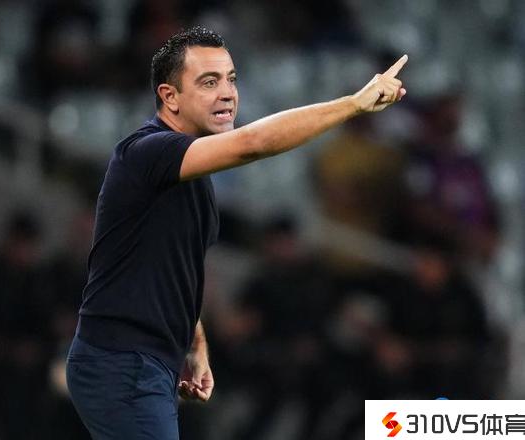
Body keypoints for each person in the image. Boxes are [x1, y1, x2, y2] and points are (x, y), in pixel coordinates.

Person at [66, 25, 408, 440]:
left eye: (231, 79)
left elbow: (174, 268)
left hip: (148, 362)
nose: (227, 93)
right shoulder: (146, 151)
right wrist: (353, 105)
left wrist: (193, 343)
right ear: (169, 97)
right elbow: (253, 143)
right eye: (209, 82)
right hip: (120, 362)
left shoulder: (193, 179)